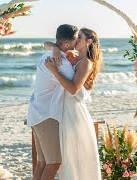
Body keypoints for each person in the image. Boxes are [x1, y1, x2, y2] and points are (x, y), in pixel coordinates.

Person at [27, 24, 90, 180]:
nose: (76, 44)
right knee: (54, 164)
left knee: (42, 163)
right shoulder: (61, 63)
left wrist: (54, 47)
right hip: (47, 117)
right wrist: (86, 89)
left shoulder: (48, 54)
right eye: (75, 40)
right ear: (67, 44)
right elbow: (76, 91)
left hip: (36, 113)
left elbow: (47, 44)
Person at [45, 28, 102, 180]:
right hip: (65, 112)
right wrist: (56, 49)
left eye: (80, 37)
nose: (76, 40)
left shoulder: (86, 63)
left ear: (89, 42)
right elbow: (46, 44)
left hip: (75, 114)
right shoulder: (73, 58)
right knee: (68, 160)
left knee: (77, 159)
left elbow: (73, 89)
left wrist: (54, 72)